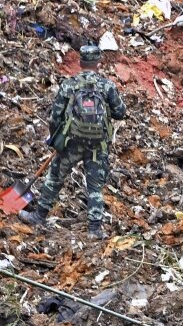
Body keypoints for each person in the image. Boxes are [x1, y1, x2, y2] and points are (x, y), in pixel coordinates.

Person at [19, 45, 127, 239]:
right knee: (95, 186)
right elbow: (121, 112)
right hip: (98, 146)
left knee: (55, 178)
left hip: (71, 144)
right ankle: (94, 229)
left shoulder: (69, 85)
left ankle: (39, 216)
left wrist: (56, 139)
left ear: (80, 62)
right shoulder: (107, 86)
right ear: (98, 64)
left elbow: (55, 117)